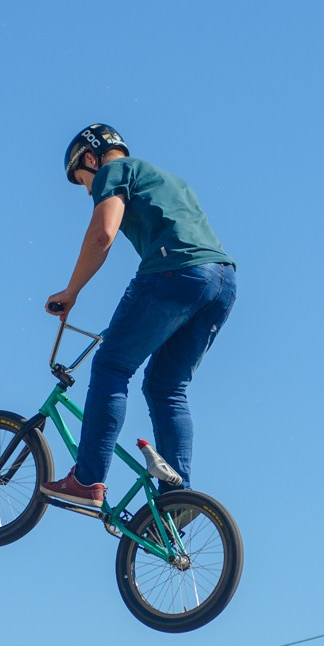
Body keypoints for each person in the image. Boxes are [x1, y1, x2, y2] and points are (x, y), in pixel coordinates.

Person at [41, 124, 237, 508]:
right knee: (167, 388)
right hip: (222, 283)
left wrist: (71, 292)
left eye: (84, 182)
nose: (88, 192)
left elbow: (103, 234)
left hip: (175, 273)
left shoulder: (114, 172)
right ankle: (177, 499)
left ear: (93, 159)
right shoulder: (168, 179)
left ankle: (87, 478)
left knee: (112, 365)